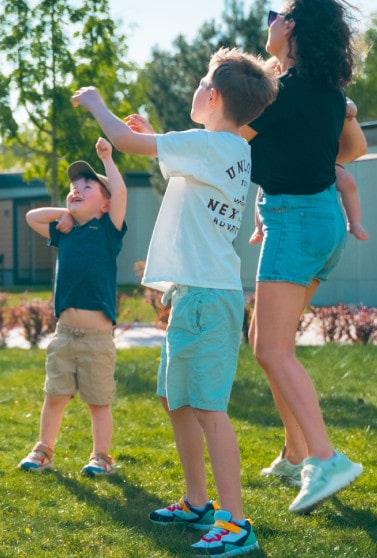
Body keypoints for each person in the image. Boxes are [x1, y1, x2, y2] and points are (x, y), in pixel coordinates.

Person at [74, 46, 277, 557]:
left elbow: (119, 141)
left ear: (212, 96)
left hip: (209, 297)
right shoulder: (226, 149)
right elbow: (185, 179)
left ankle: (235, 523)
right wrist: (153, 135)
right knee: (177, 400)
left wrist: (98, 104)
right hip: (195, 293)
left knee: (208, 409)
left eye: (202, 80)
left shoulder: (210, 146)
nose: (196, 86)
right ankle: (196, 502)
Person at [241, 0, 369, 515]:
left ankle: (325, 457)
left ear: (290, 27)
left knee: (272, 349)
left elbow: (223, 143)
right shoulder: (331, 94)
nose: (269, 21)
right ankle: (295, 452)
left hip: (293, 223)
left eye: (277, 13)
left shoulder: (275, 96)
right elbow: (353, 151)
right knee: (264, 341)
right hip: (322, 222)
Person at [17, 138, 128, 478]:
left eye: (87, 186)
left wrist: (108, 161)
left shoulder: (108, 230)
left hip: (97, 338)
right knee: (54, 396)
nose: (76, 190)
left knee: (98, 402)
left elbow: (121, 193)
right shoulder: (65, 232)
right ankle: (43, 450)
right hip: (64, 334)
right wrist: (64, 214)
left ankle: (101, 457)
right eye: (73, 187)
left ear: (105, 205)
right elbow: (31, 216)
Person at [249, 98, 368, 243]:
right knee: (264, 186)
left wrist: (349, 107)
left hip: (322, 159)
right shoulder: (285, 97)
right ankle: (259, 228)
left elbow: (348, 103)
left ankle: (354, 222)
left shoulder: (328, 93)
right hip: (286, 160)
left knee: (347, 181)